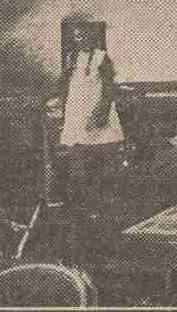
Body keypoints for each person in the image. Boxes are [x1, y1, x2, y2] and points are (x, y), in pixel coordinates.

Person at [55, 28, 125, 216]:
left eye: (84, 35)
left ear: (92, 36)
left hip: (98, 113)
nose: (81, 39)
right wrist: (63, 111)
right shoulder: (72, 58)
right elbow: (65, 86)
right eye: (77, 36)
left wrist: (101, 113)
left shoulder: (102, 57)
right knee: (78, 162)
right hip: (77, 114)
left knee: (104, 163)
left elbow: (109, 88)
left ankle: (107, 206)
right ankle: (84, 207)